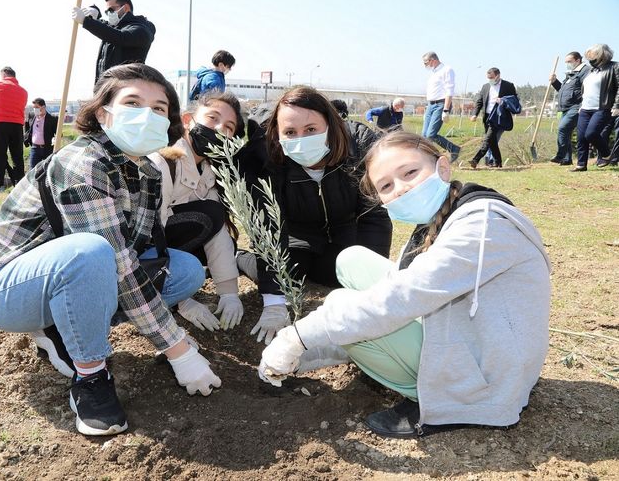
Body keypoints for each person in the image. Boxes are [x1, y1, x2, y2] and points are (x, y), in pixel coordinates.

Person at [0, 63, 221, 436]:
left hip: (76, 275)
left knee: (185, 271)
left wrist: (171, 331)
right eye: (133, 103)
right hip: (8, 291)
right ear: (103, 113)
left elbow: (132, 253)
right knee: (91, 253)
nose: (147, 115)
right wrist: (177, 348)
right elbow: (115, 260)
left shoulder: (146, 170)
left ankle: (58, 329)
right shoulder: (83, 162)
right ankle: (91, 377)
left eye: (159, 108)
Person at [258, 131, 551, 439]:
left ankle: (442, 402)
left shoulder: (483, 225)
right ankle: (360, 347)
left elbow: (401, 298)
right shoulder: (444, 213)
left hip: (489, 377)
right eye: (386, 186)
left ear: (443, 168)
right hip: (477, 338)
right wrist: (315, 351)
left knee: (341, 305)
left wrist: (296, 337)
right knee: (351, 259)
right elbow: (402, 290)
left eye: (410, 172)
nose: (400, 189)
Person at [236, 86, 393, 345]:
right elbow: (268, 226)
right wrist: (274, 301)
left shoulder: (359, 144)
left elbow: (373, 215)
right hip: (296, 233)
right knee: (291, 275)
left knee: (343, 273)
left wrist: (371, 285)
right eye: (290, 132)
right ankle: (241, 259)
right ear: (277, 134)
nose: (301, 138)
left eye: (311, 129)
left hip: (345, 230)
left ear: (330, 124)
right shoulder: (266, 156)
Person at [148, 92, 245, 332]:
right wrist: (183, 299)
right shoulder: (164, 161)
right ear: (188, 120)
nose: (220, 128)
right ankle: (169, 288)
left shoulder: (209, 170)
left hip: (175, 241)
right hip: (145, 252)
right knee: (209, 214)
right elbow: (151, 233)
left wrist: (229, 293)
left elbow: (218, 232)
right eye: (213, 118)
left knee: (217, 224)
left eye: (229, 127)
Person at [72, 0, 155, 83]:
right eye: (106, 12)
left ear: (126, 8)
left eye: (111, 10)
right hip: (106, 88)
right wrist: (95, 16)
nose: (109, 14)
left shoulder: (142, 29)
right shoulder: (117, 28)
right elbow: (107, 28)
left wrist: (86, 21)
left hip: (126, 88)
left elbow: (120, 37)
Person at [573, 44, 619, 171]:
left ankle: (606, 154)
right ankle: (581, 164)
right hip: (585, 108)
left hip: (602, 108)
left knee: (591, 134)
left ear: (601, 55)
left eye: (592, 56)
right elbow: (586, 90)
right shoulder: (591, 71)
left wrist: (617, 105)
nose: (589, 59)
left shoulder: (614, 67)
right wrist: (581, 105)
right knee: (581, 137)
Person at [468, 68, 519, 169]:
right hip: (487, 117)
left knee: (487, 139)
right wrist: (474, 114)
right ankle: (498, 162)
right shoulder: (485, 86)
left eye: (491, 77)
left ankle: (475, 160)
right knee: (492, 141)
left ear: (497, 75)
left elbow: (514, 101)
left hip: (498, 117)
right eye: (488, 78)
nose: (490, 79)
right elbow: (479, 102)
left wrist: (503, 101)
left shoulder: (508, 86)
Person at [549, 52, 590, 166]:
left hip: (576, 106)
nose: (567, 64)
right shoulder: (570, 73)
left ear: (577, 60)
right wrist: (554, 82)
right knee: (565, 132)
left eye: (569, 62)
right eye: (566, 62)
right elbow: (563, 90)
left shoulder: (585, 71)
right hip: (565, 108)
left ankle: (560, 155)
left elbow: (586, 88)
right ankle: (567, 159)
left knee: (563, 128)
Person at [421, 52, 461, 161]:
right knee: (424, 135)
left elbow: (449, 91)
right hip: (431, 105)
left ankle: (453, 149)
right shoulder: (434, 73)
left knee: (430, 135)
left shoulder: (447, 70)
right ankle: (428, 158)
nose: (425, 65)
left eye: (426, 63)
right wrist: (427, 109)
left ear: (432, 60)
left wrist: (446, 110)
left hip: (441, 104)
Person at [24, 98, 58, 169]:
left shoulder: (52, 118)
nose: (35, 110)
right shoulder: (32, 115)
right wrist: (26, 137)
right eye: (34, 108)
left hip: (47, 149)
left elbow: (57, 133)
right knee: (33, 170)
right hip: (35, 148)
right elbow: (27, 127)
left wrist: (56, 139)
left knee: (48, 169)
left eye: (37, 107)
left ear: (43, 107)